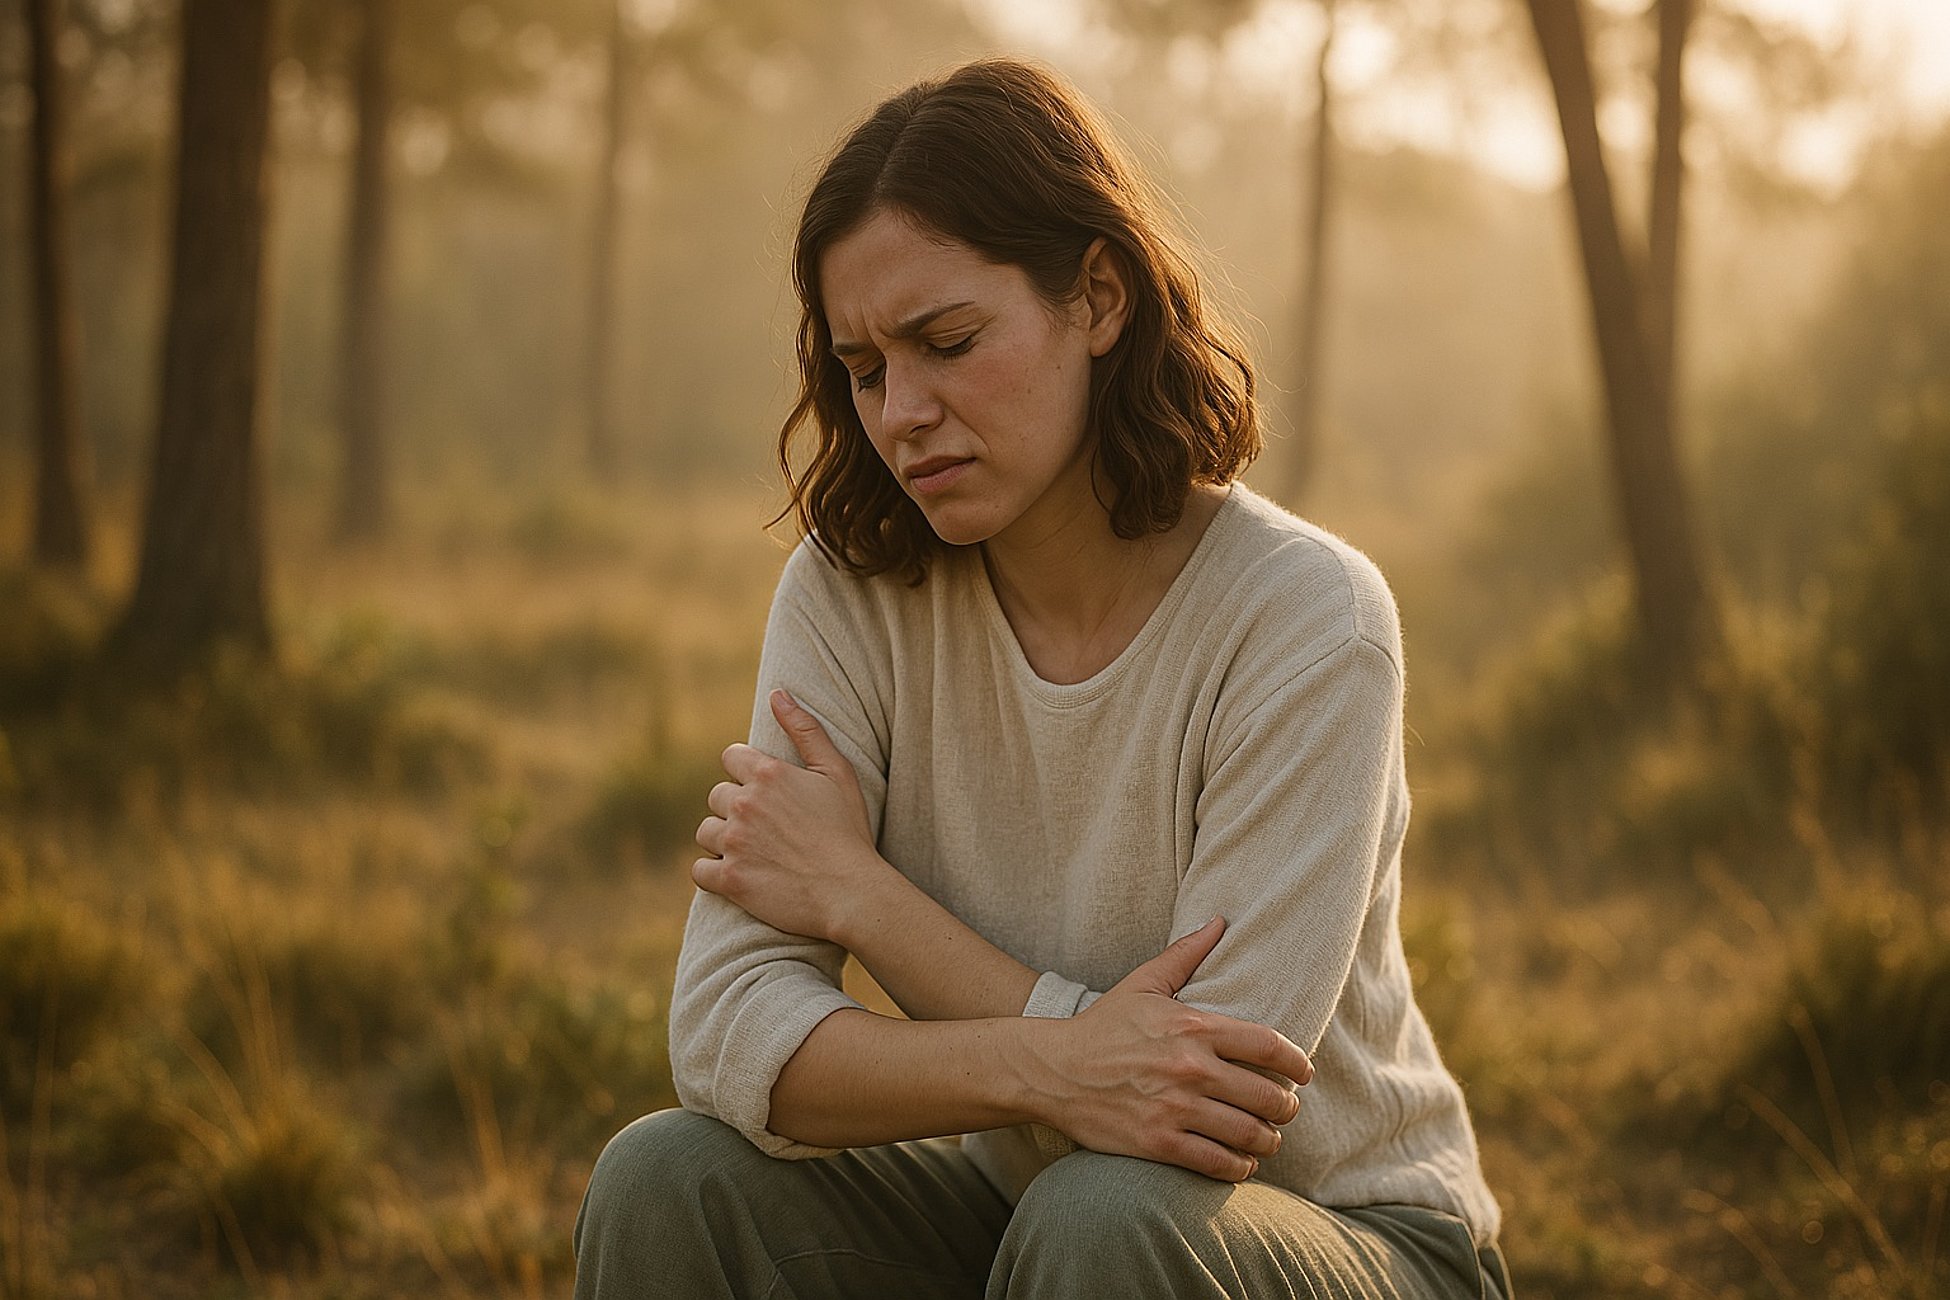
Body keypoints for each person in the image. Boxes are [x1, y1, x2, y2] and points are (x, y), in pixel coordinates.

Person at [574, 57, 1509, 1300]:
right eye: (864, 368)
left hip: (1352, 1236)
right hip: (1030, 1211)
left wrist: (864, 898)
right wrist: (1060, 1064)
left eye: (948, 342)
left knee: (1106, 1213)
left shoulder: (1306, 618)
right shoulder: (852, 596)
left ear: (1099, 299)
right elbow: (727, 1031)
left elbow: (1200, 1099)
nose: (901, 412)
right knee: (666, 1178)